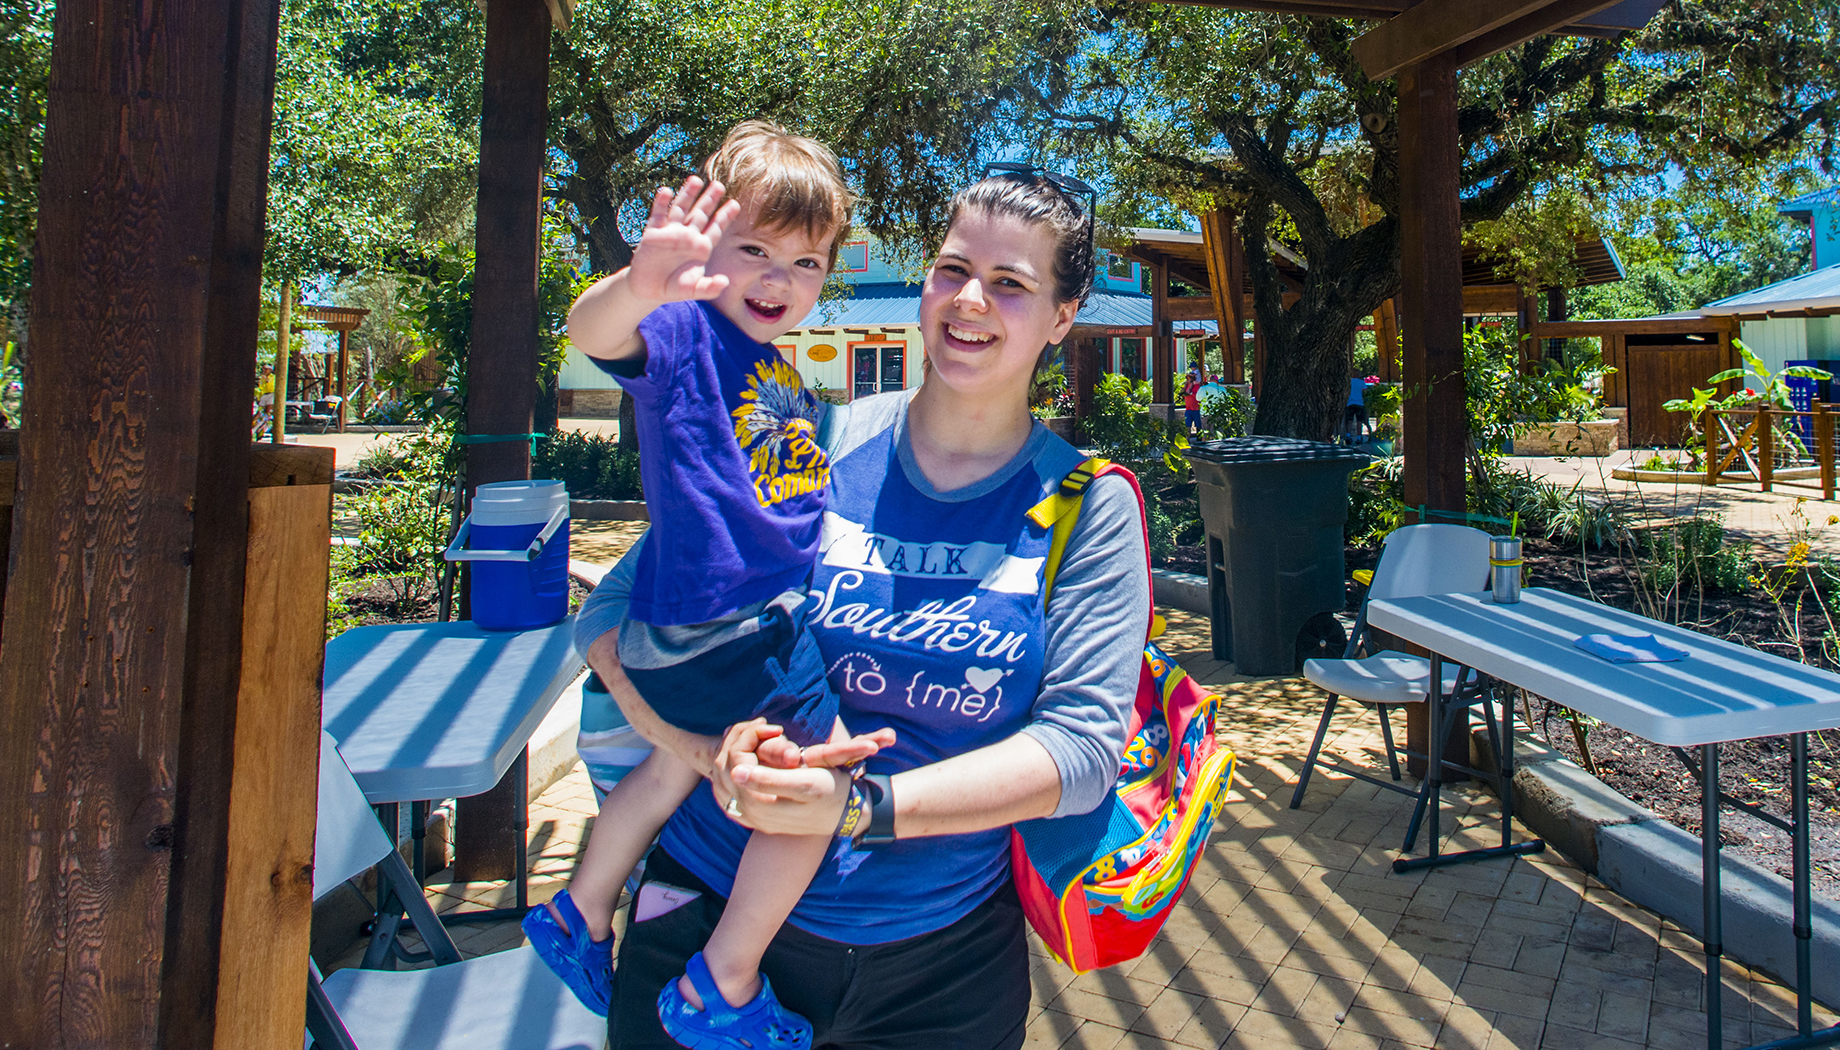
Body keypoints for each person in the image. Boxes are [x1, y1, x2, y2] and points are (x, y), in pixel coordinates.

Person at [577, 170, 1150, 1049]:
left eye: (1011, 284)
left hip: (939, 973)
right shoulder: (814, 436)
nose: (970, 301)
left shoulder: (1090, 506)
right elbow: (615, 612)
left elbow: (1078, 754)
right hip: (705, 908)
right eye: (952, 268)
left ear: (1064, 317)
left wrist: (859, 807)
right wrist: (709, 754)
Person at [526, 121, 891, 1048]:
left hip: (698, 636)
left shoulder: (772, 370)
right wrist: (641, 284)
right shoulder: (684, 332)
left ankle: (578, 911)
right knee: (822, 791)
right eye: (756, 252)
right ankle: (721, 983)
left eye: (807, 264)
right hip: (732, 632)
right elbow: (592, 330)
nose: (779, 281)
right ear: (708, 250)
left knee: (665, 770)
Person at [1182, 360, 1203, 433]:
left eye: (1189, 378)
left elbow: (1190, 393)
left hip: (1196, 409)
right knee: (1187, 425)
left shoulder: (1196, 385)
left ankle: (1199, 438)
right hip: (1188, 409)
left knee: (1198, 425)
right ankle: (1188, 439)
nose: (1187, 380)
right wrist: (1186, 385)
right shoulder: (1187, 385)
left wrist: (1191, 385)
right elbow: (1183, 393)